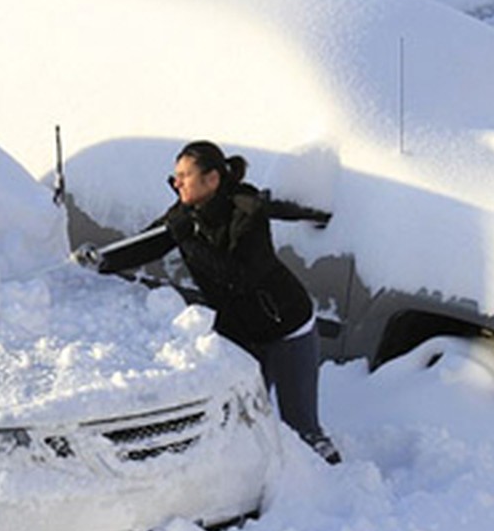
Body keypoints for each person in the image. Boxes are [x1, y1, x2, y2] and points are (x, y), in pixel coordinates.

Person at [82, 140, 341, 465]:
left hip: (286, 327)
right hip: (241, 331)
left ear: (212, 179)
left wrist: (188, 240)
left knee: (301, 429)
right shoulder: (184, 212)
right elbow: (149, 243)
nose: (177, 184)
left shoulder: (247, 212)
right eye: (175, 177)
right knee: (240, 424)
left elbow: (242, 277)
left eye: (184, 176)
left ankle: (334, 485)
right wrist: (103, 261)